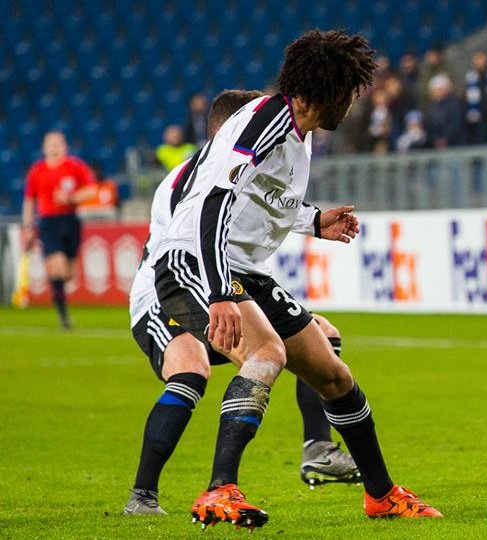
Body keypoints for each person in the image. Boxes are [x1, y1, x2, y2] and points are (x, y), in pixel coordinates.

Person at [151, 29, 440, 528]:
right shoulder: (267, 120)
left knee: (333, 375)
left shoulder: (295, 137)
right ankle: (219, 491)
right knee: (266, 354)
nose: (351, 104)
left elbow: (265, 200)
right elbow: (215, 201)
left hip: (245, 269)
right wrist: (219, 293)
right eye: (347, 93)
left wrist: (315, 221)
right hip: (195, 261)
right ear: (318, 93)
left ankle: (382, 494)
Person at [123, 90, 359, 517]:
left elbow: (265, 202)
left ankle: (318, 447)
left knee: (321, 334)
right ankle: (143, 496)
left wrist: (314, 221)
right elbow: (200, 228)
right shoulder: (185, 177)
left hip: (217, 283)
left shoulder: (235, 169)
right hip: (163, 294)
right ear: (227, 129)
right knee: (190, 370)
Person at [21, 131, 97, 328]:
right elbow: (29, 201)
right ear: (44, 148)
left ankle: (58, 288)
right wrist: (28, 227)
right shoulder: (37, 171)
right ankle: (64, 316)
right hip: (48, 222)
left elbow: (91, 189)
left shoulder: (75, 166)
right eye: (50, 144)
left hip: (70, 220)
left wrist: (72, 198)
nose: (54, 147)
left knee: (69, 274)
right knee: (58, 267)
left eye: (57, 143)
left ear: (65, 146)